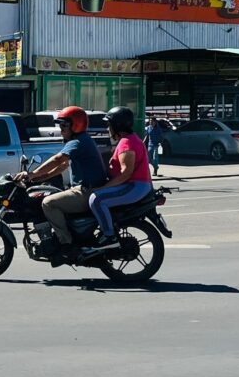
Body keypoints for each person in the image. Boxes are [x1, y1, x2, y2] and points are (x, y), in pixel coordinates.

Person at [14, 106, 108, 267]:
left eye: (64, 125)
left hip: (86, 191)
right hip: (85, 189)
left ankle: (67, 245)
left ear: (76, 125)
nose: (61, 129)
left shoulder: (79, 141)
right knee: (50, 195)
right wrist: (39, 178)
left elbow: (58, 159)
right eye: (60, 125)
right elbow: (63, 166)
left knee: (48, 203)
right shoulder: (80, 141)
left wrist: (31, 174)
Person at [88, 107, 153, 251]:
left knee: (96, 199)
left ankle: (109, 237)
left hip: (134, 186)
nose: (107, 128)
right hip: (136, 186)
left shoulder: (127, 143)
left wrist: (103, 188)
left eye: (109, 125)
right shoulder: (130, 139)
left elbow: (126, 173)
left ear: (117, 125)